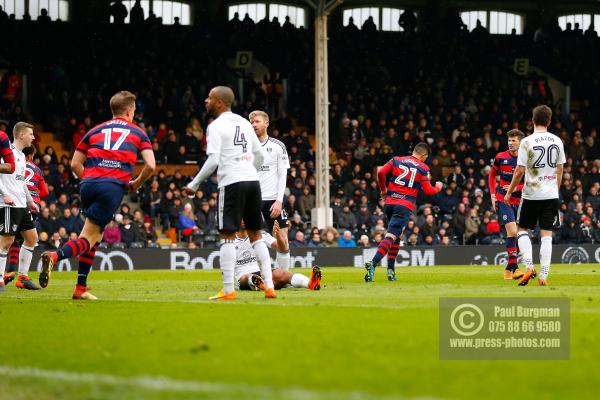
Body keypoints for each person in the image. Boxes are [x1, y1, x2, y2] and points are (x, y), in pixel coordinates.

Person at [40, 91, 156, 299]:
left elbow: (75, 163)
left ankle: (80, 287)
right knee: (89, 237)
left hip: (88, 184)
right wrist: (136, 184)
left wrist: (90, 179)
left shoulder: (95, 130)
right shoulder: (138, 132)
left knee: (96, 235)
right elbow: (151, 165)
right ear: (129, 111)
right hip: (111, 187)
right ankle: (55, 256)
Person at [183, 86, 275, 300]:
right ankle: (269, 287)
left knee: (227, 235)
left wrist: (194, 184)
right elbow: (259, 155)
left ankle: (228, 290)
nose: (206, 101)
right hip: (253, 181)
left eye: (209, 97)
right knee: (256, 235)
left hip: (232, 182)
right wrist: (250, 170)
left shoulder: (215, 126)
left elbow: (214, 160)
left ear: (219, 102)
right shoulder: (244, 122)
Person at [504, 105, 565, 286]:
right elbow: (560, 170)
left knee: (522, 229)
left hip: (531, 194)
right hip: (551, 194)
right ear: (549, 121)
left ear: (533, 120)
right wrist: (555, 189)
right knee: (547, 234)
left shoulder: (527, 142)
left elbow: (519, 171)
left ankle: (529, 266)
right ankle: (544, 276)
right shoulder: (557, 141)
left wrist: (509, 192)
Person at [365, 142, 443, 282]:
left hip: (389, 203)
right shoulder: (423, 168)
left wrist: (383, 190)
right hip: (404, 205)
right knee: (391, 235)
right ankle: (373, 263)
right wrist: (438, 187)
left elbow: (381, 172)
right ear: (423, 155)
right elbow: (428, 190)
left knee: (396, 235)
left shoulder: (397, 160)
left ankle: (391, 270)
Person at [0, 122, 41, 291]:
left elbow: (21, 180)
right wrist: (4, 194)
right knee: (6, 241)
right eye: (31, 134)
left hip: (22, 204)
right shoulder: (5, 152)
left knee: (32, 238)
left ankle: (22, 278)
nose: (33, 137)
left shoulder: (22, 156)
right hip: (8, 203)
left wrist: (30, 200)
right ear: (21, 135)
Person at [249, 110, 291, 271]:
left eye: (257, 121)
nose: (254, 125)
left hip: (273, 200)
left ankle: (284, 277)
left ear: (266, 123)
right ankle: (258, 274)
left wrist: (279, 201)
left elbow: (283, 175)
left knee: (283, 240)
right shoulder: (246, 147)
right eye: (252, 122)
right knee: (253, 238)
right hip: (252, 200)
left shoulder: (278, 146)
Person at [4, 146, 48, 284]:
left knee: (14, 239)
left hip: (17, 201)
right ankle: (15, 274)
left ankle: (12, 272)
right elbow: (45, 191)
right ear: (31, 155)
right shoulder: (36, 169)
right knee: (17, 239)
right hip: (29, 204)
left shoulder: (14, 162)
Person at [235, 221, 321, 291]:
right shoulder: (230, 240)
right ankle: (258, 283)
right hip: (243, 276)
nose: (243, 219)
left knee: (283, 273)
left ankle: (310, 283)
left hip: (263, 272)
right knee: (247, 278)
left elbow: (282, 248)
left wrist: (278, 235)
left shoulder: (260, 234)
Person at [489, 129, 526, 280]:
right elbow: (492, 175)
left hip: (521, 200)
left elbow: (532, 182)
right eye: (509, 141)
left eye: (514, 141)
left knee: (516, 234)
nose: (511, 143)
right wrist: (492, 194)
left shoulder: (527, 160)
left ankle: (508, 268)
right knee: (511, 231)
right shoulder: (500, 157)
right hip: (503, 199)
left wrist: (516, 188)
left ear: (521, 142)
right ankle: (516, 269)